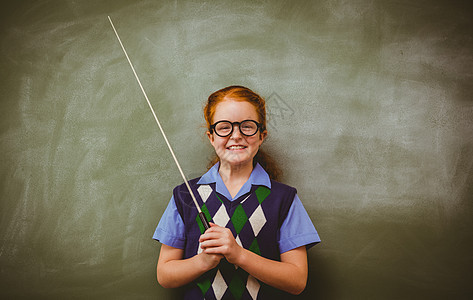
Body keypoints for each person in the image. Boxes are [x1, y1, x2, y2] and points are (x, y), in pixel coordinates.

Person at [153, 86, 320, 299]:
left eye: (247, 127)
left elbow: (296, 281)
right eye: (224, 128)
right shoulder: (186, 196)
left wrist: (239, 254)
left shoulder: (284, 199)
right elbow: (165, 275)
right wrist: (203, 261)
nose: (236, 135)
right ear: (211, 136)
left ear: (261, 135)